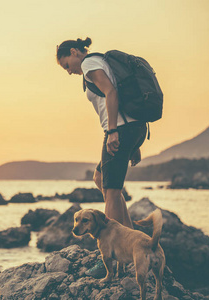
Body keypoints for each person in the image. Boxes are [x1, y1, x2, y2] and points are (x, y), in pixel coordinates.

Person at [56, 37, 148, 277]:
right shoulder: (100, 62)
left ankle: (113, 251)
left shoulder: (89, 64)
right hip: (131, 128)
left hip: (120, 129)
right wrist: (131, 142)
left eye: (66, 65)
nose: (68, 71)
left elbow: (111, 92)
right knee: (100, 179)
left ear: (75, 52)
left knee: (112, 190)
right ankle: (132, 234)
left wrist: (115, 131)